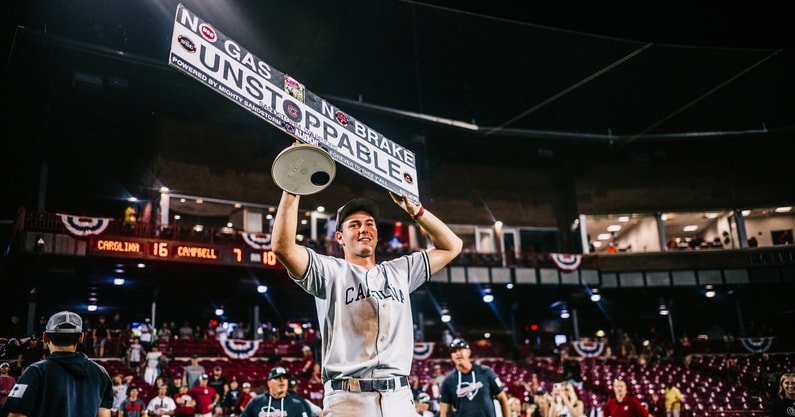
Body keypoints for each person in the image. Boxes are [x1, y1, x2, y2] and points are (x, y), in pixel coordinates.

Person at [271, 189, 463, 417]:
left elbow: (452, 246)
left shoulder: (400, 271)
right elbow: (283, 248)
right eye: (353, 224)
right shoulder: (330, 272)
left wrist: (416, 210)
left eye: (369, 223)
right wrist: (294, 188)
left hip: (400, 399)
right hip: (348, 400)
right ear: (340, 237)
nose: (364, 228)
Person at [0, 310, 114, 417]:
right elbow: (104, 413)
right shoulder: (100, 373)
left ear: (45, 337)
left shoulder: (35, 371)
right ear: (81, 337)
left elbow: (17, 415)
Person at [439, 339, 510, 417]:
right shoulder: (448, 381)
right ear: (451, 356)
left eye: (460, 349)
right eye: (454, 351)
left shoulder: (486, 372)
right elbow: (444, 412)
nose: (457, 353)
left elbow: (503, 399)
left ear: (468, 352)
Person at [240, 367, 311, 417]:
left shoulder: (296, 404)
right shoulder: (255, 402)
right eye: (277, 378)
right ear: (269, 383)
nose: (281, 380)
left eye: (284, 378)